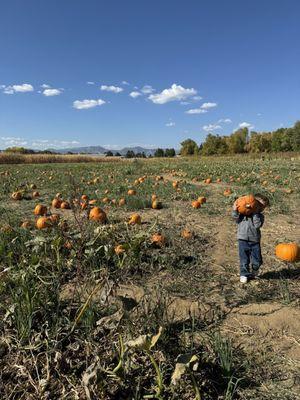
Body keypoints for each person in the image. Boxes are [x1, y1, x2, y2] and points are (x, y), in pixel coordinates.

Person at [232, 194, 269, 283]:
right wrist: (235, 210)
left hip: (255, 240)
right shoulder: (242, 214)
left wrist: (255, 213)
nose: (261, 208)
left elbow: (257, 225)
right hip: (242, 239)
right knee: (244, 259)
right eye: (259, 205)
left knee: (257, 260)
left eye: (263, 207)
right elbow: (235, 219)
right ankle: (244, 274)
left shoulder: (260, 216)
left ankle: (255, 268)